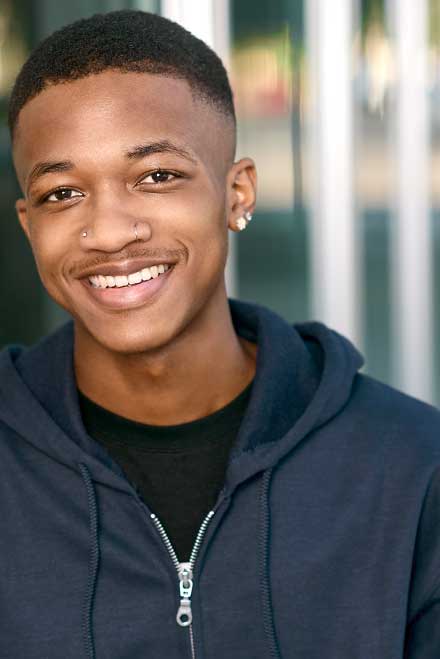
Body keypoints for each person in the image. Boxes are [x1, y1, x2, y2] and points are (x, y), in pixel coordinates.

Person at [1, 9, 439, 659]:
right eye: (63, 193)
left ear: (237, 194)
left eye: (157, 176)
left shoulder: (411, 467)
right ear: (29, 223)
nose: (111, 231)